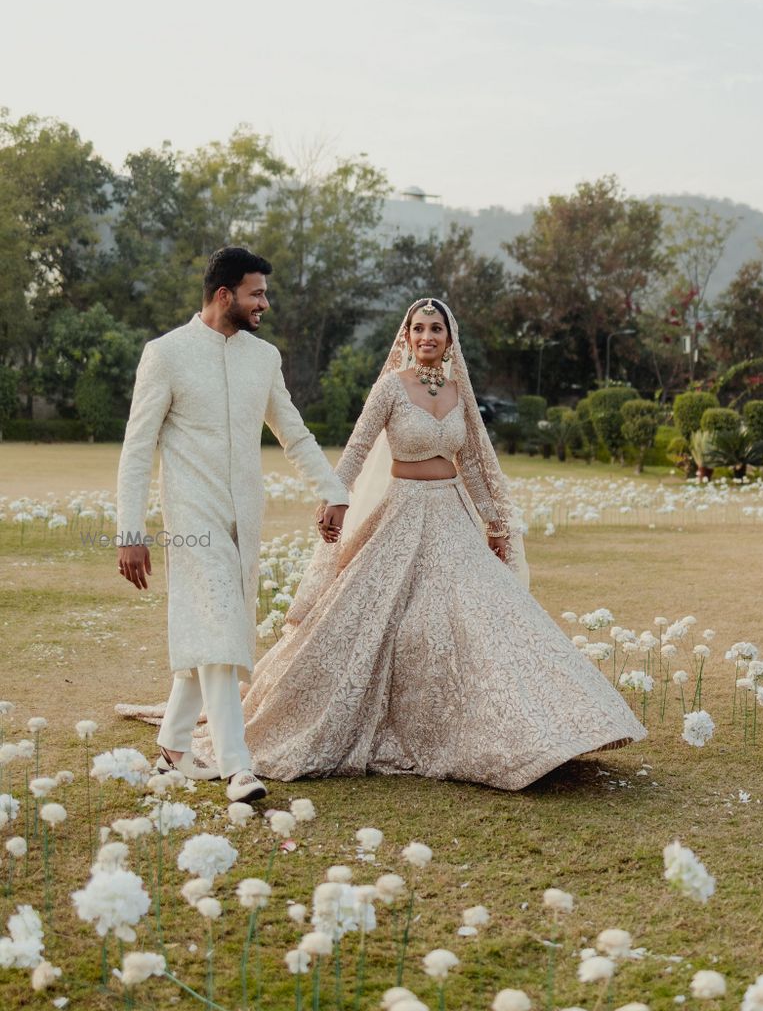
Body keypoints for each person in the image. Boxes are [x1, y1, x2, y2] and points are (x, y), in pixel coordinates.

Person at [238, 297, 646, 790]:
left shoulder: (458, 393)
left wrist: (495, 526)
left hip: (453, 515)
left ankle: (541, 730)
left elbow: (473, 463)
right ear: (406, 338)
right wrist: (333, 497)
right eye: (419, 329)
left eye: (436, 329)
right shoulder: (391, 387)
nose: (427, 337)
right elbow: (359, 447)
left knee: (483, 616)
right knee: (381, 620)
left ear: (450, 340)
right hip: (403, 514)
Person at [115, 246, 349, 802]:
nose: (264, 302)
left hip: (245, 518)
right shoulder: (166, 354)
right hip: (191, 517)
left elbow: (292, 432)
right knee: (219, 629)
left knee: (214, 631)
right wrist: (130, 531)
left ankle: (173, 747)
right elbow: (137, 448)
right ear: (225, 295)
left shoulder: (263, 358)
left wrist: (333, 489)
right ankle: (235, 766)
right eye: (257, 293)